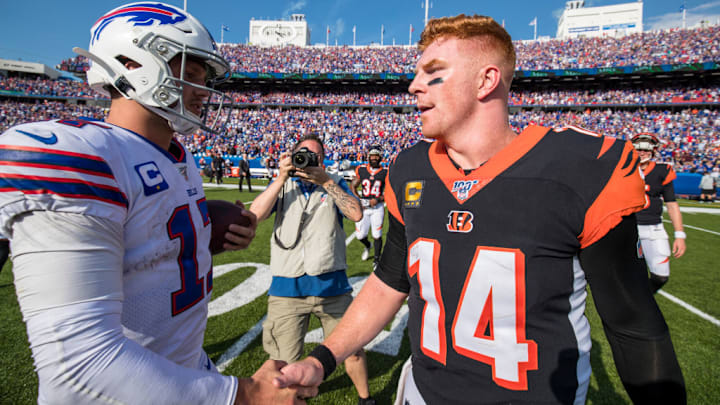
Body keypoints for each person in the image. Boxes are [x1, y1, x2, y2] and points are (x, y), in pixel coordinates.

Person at [274, 14, 686, 405]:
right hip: (423, 394)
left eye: (432, 72)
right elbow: (389, 281)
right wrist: (321, 359)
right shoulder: (410, 168)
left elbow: (633, 326)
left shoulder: (576, 170)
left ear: (486, 80)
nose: (413, 86)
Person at [0, 3, 314, 404]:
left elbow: (145, 254)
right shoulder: (83, 154)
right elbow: (78, 367)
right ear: (134, 63)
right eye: (194, 73)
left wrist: (201, 230)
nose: (204, 91)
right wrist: (245, 396)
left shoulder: (178, 157)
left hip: (180, 373)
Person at [249, 134, 376, 405]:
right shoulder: (283, 185)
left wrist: (326, 181)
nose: (308, 159)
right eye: (303, 154)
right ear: (291, 156)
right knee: (285, 362)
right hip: (287, 289)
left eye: (315, 156)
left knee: (352, 350)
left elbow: (355, 214)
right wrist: (280, 178)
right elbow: (254, 216)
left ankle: (366, 399)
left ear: (322, 159)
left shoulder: (334, 182)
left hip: (332, 287)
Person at [632, 133, 687, 293]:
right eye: (638, 149)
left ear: (653, 151)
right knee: (624, 274)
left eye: (646, 149)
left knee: (661, 276)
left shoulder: (662, 171)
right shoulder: (623, 170)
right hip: (628, 227)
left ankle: (643, 299)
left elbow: (672, 205)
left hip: (653, 229)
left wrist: (680, 235)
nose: (642, 153)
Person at [351, 145, 387, 267]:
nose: (374, 158)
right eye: (372, 156)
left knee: (377, 235)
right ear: (368, 157)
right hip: (364, 208)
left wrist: (378, 199)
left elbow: (391, 193)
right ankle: (367, 246)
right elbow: (353, 186)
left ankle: (377, 259)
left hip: (377, 208)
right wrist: (358, 199)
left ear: (380, 157)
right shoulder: (361, 169)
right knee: (360, 235)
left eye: (376, 156)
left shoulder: (385, 172)